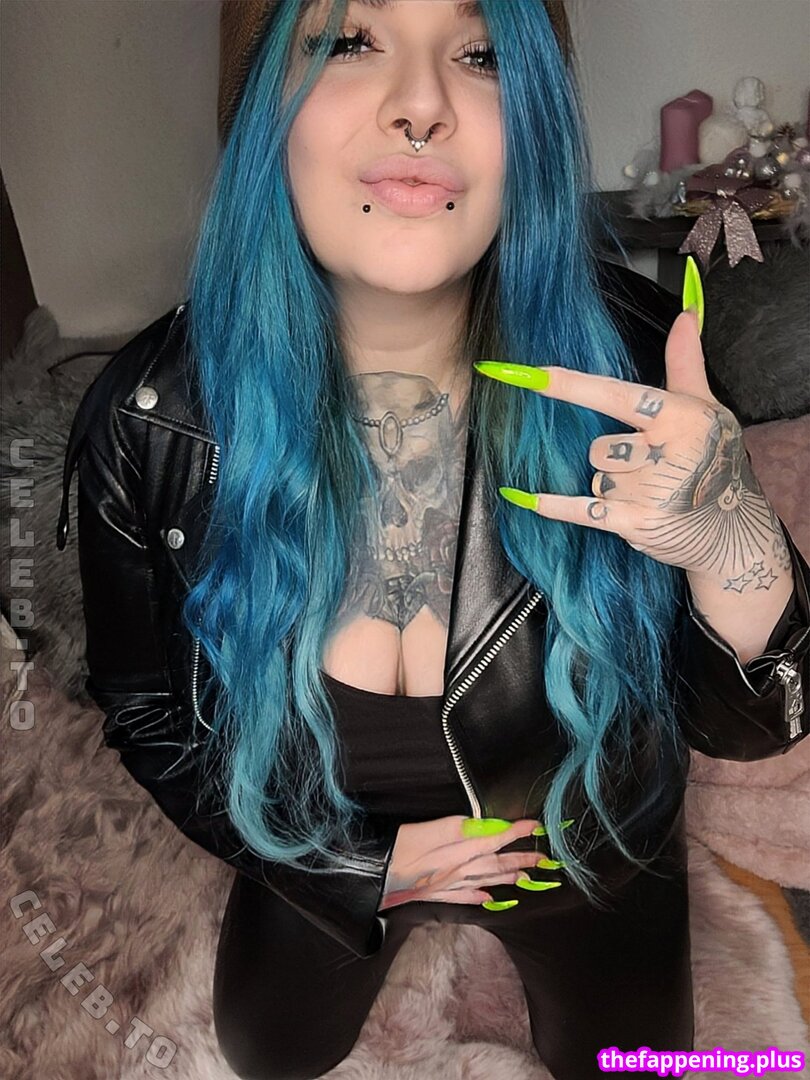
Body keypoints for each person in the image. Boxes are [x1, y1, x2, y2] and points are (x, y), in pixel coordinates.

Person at [56, 1, 810, 1077]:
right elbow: (146, 710)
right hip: (320, 840)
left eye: (481, 55)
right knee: (266, 1054)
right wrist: (357, 872)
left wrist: (730, 540)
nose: (420, 106)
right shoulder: (151, 416)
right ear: (264, 109)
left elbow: (749, 728)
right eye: (349, 41)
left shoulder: (639, 370)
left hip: (588, 849)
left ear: (532, 124)